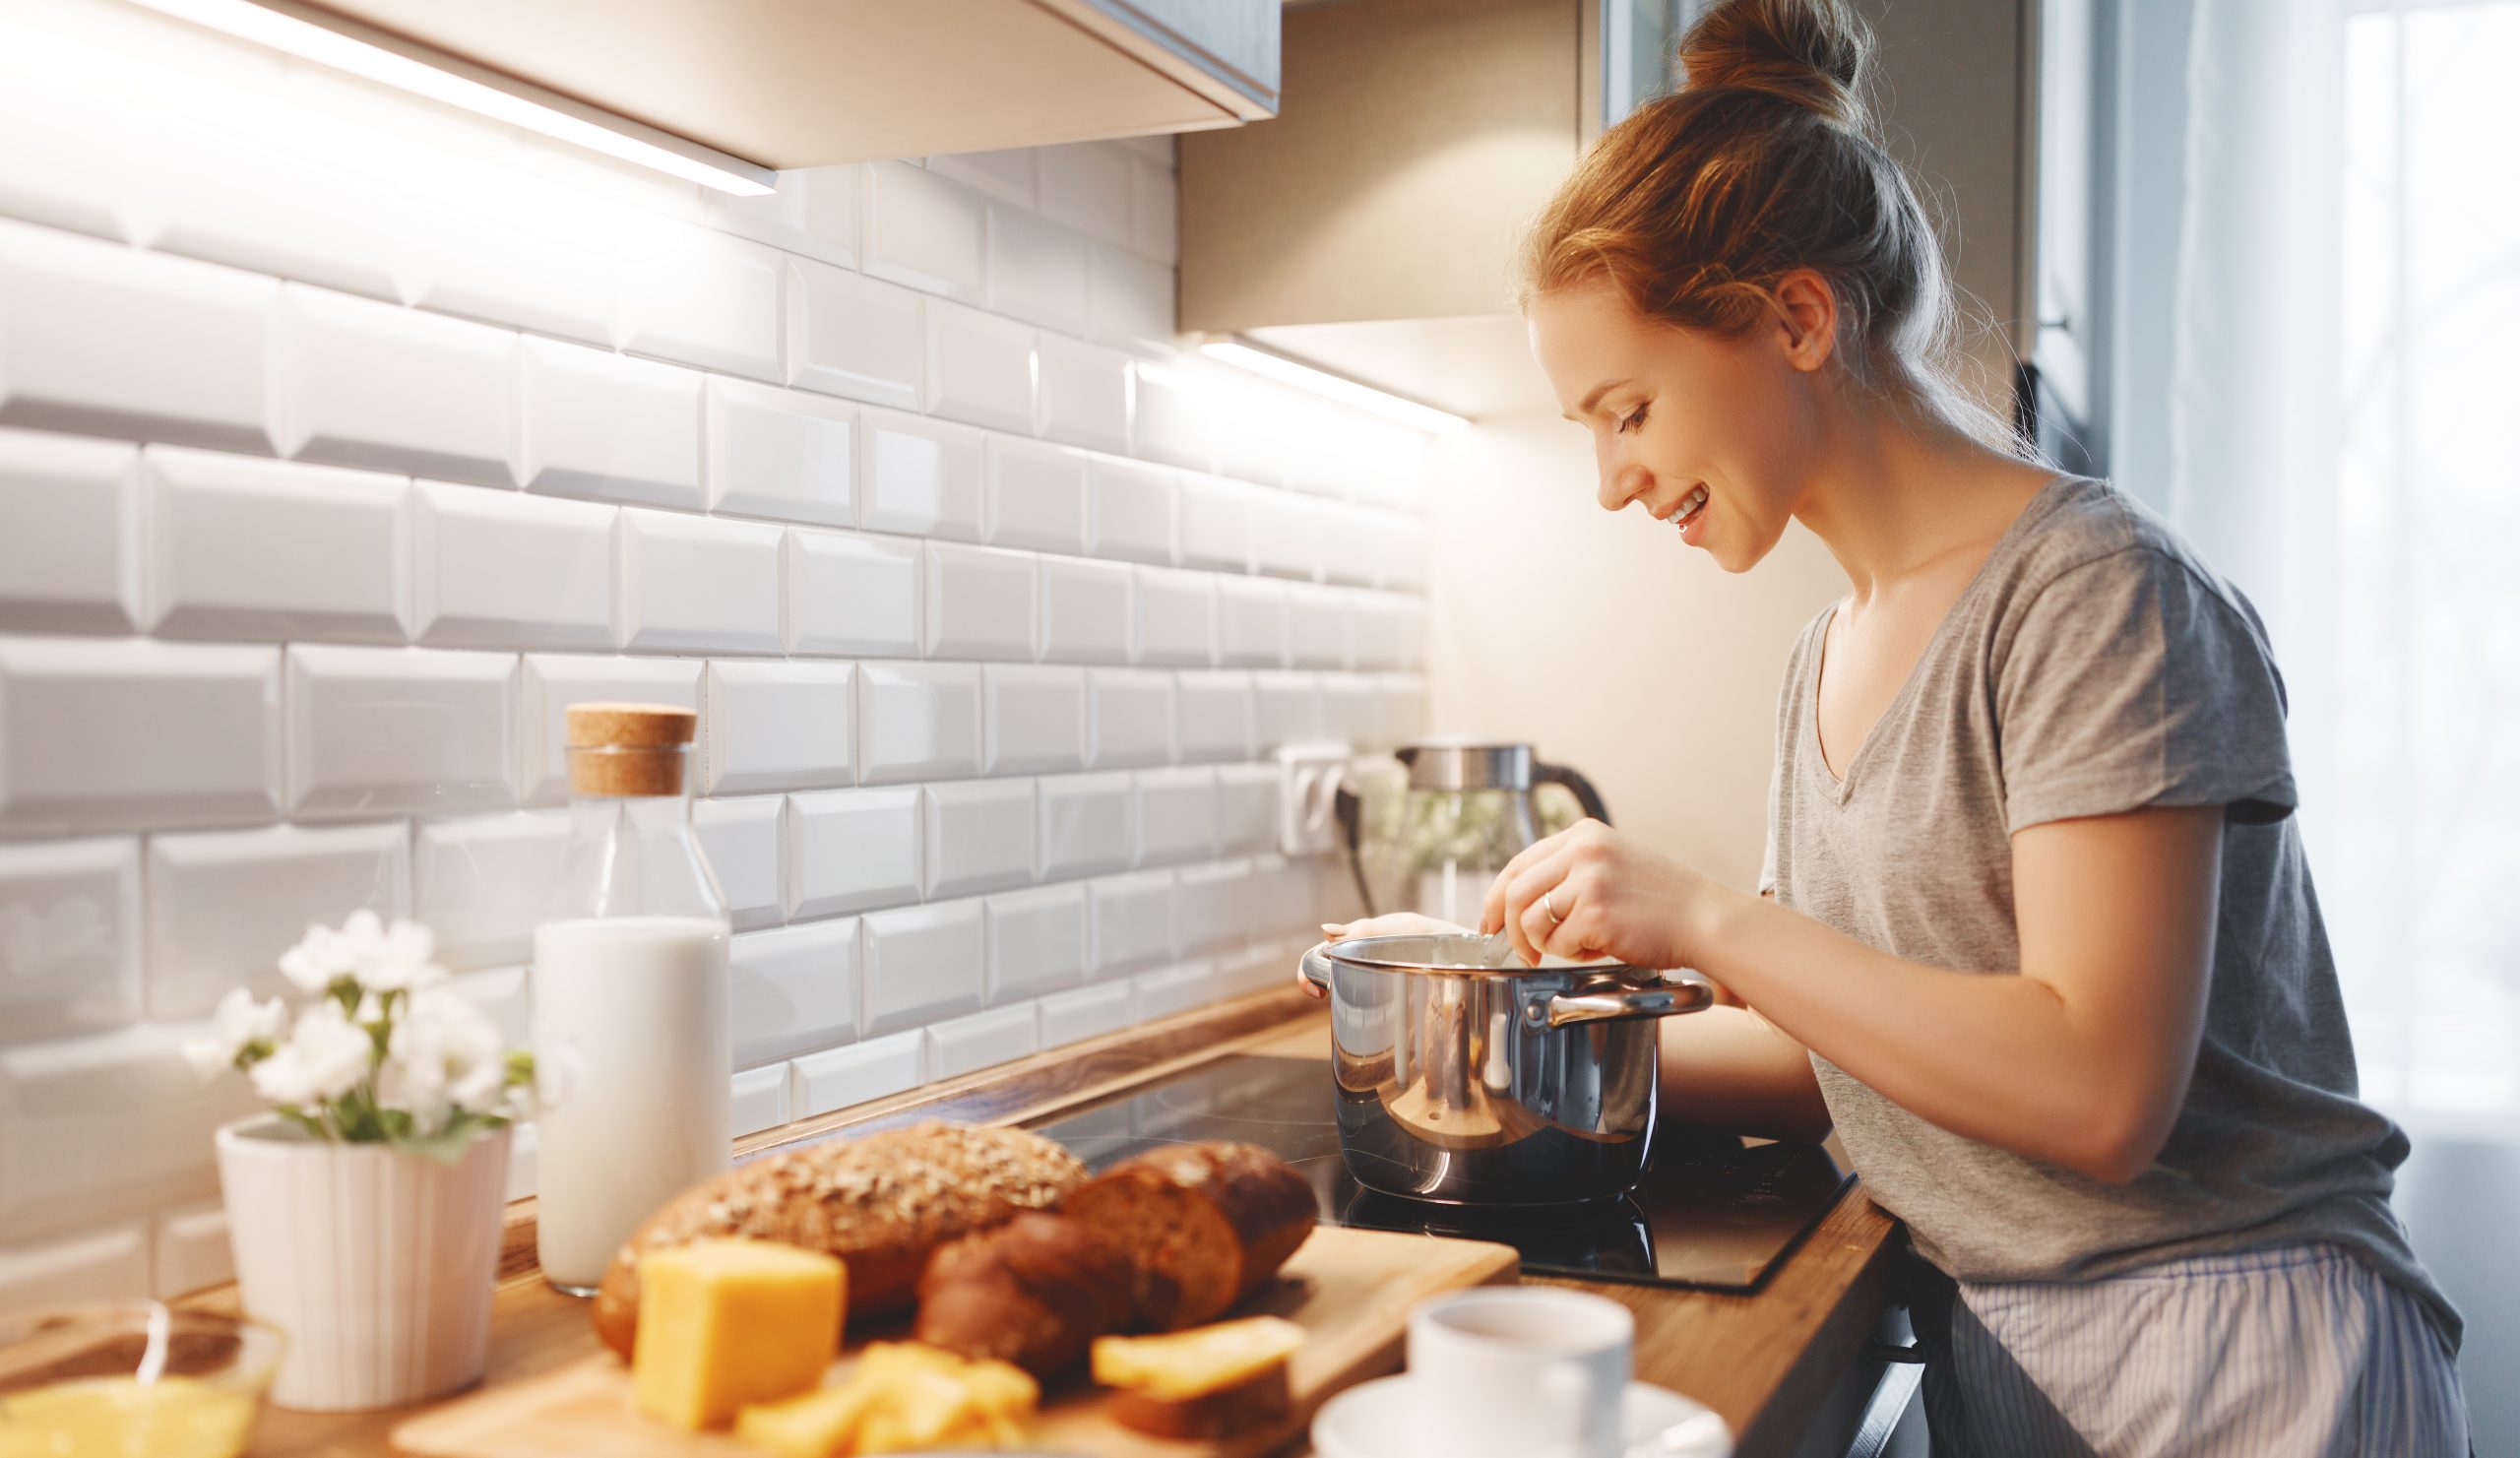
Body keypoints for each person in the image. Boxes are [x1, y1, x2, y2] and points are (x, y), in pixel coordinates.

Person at [1299, 0, 2470, 1450]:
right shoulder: (1827, 655)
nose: (1612, 478)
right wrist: (1480, 1033)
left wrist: (1706, 916)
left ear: (1797, 317)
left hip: (2232, 1349)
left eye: (1630, 407)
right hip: (2023, 1346)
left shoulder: (2094, 595)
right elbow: (1834, 1059)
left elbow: (2102, 1087)